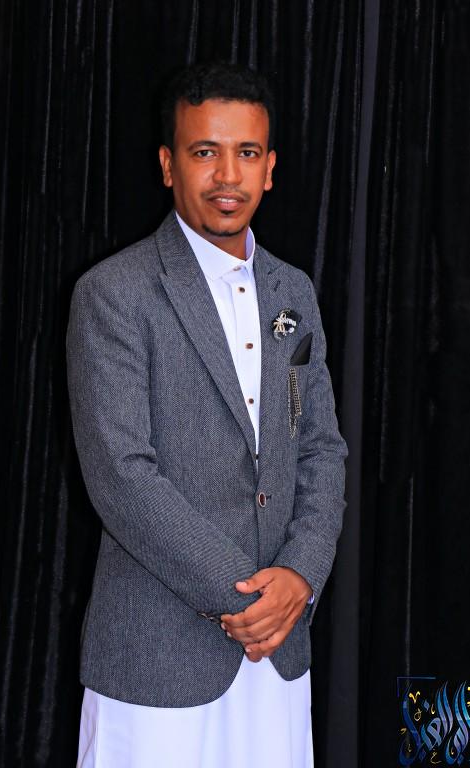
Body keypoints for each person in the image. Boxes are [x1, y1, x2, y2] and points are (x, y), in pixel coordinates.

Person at [67, 61, 347, 768]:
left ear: (270, 168)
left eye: (246, 152)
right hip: (155, 659)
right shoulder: (114, 292)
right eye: (204, 152)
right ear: (168, 165)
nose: (228, 175)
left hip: (278, 656)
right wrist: (247, 598)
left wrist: (301, 576)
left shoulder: (295, 292)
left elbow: (320, 448)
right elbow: (122, 477)